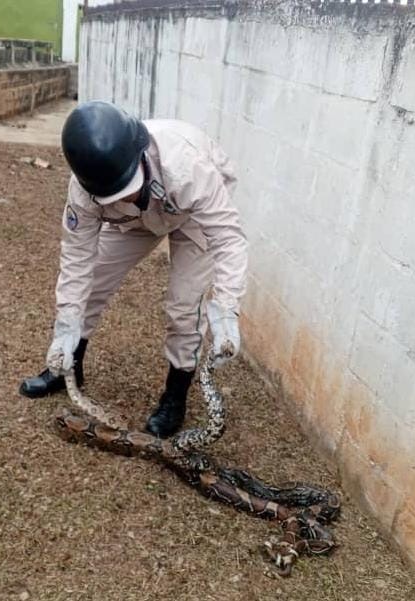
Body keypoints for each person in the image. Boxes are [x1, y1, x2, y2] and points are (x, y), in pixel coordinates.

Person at [19, 101, 248, 439]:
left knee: (185, 306)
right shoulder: (85, 190)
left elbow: (228, 239)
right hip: (136, 216)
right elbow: (77, 258)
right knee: (94, 279)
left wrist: (227, 308)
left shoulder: (188, 167)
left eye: (127, 186)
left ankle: (176, 394)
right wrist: (64, 329)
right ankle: (70, 364)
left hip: (190, 212)